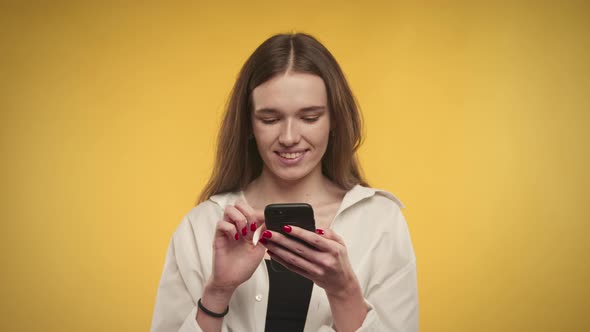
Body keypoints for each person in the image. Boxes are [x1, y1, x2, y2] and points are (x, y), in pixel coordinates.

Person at [150, 32, 418, 332]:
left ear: (334, 122)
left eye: (310, 117)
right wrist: (218, 292)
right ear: (249, 125)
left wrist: (344, 291)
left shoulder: (381, 221)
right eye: (270, 119)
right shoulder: (201, 226)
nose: (289, 137)